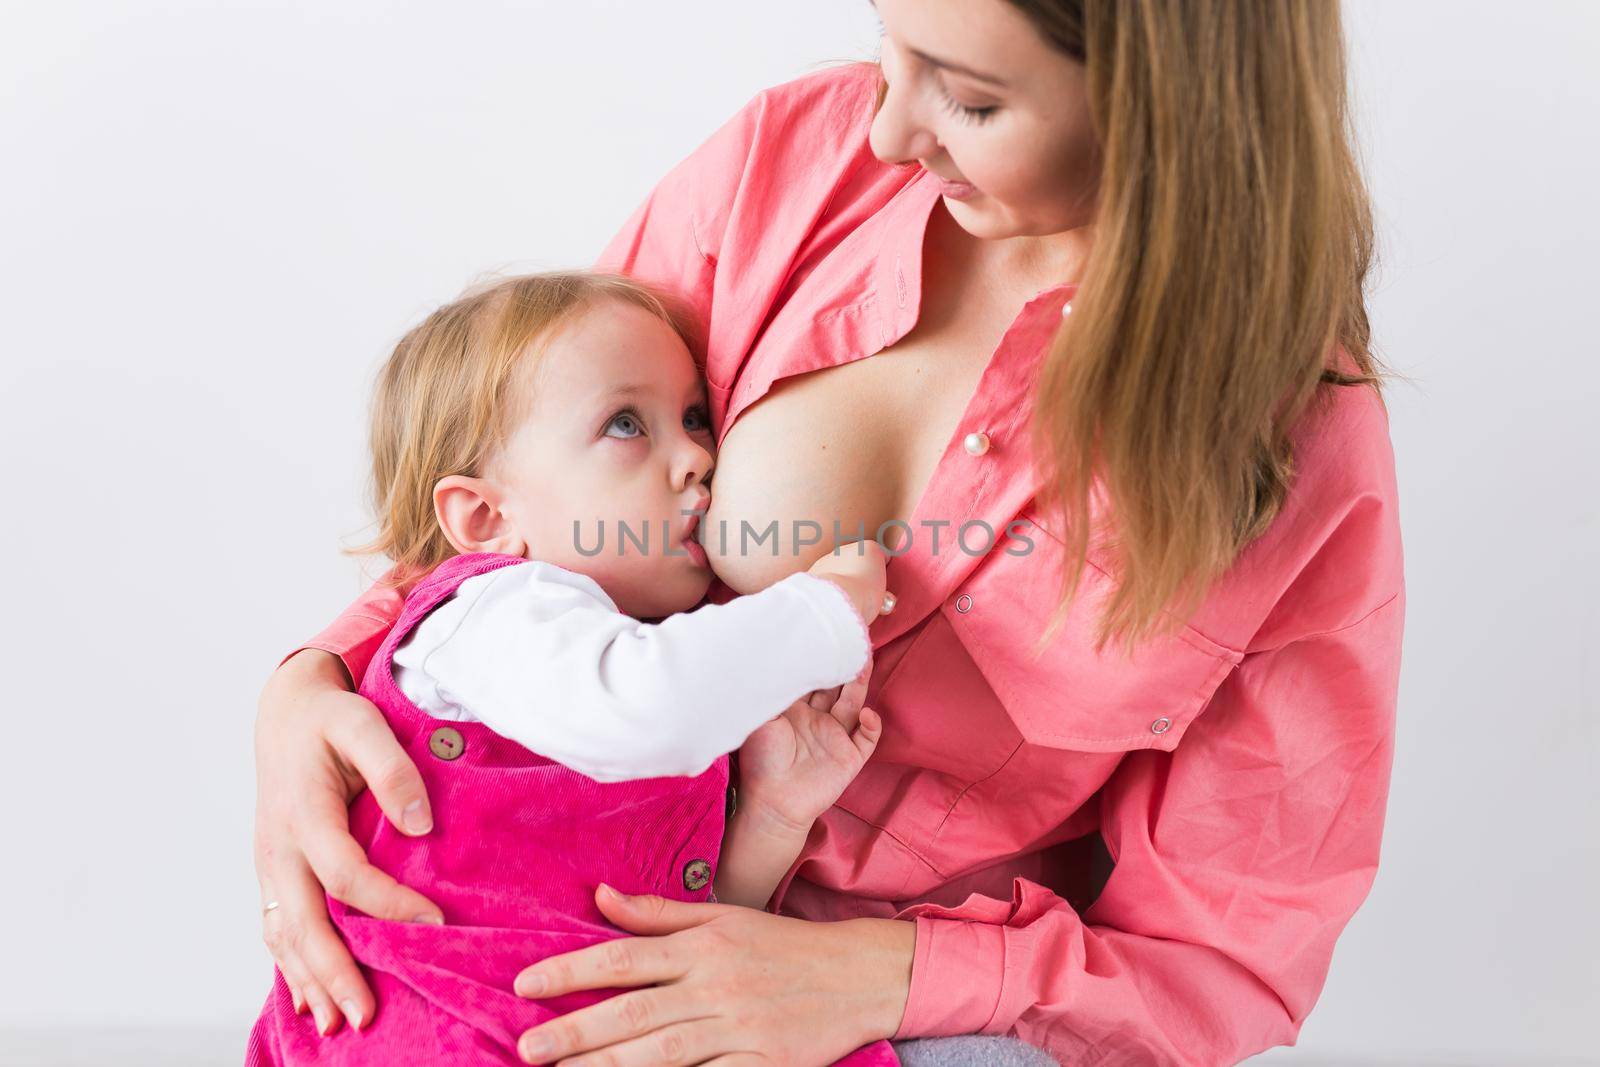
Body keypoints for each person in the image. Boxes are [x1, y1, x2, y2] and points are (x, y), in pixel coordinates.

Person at [252, 2, 1406, 1063]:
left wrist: (886, 975)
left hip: (914, 1007)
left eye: (969, 97)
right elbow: (520, 465)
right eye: (891, 46)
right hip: (574, 896)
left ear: (1172, 114)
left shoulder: (1302, 446)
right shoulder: (794, 161)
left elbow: (1229, 949)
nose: (891, 132)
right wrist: (314, 680)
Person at [245, 271, 902, 1064]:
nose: (695, 455)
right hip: (433, 1030)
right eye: (628, 424)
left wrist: (773, 815)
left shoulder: (619, 654)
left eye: (694, 418)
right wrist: (825, 608)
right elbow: (647, 708)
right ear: (487, 516)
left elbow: (667, 927)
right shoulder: (489, 617)